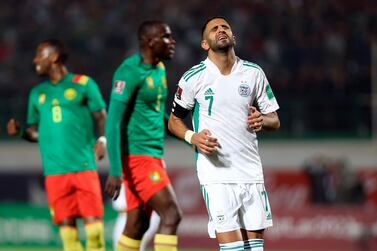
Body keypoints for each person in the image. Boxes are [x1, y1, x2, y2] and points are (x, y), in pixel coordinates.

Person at [168, 16, 280, 251]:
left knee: (255, 249)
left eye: (225, 27)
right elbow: (174, 121)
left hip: (250, 172)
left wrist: (262, 119)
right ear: (204, 44)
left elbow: (275, 120)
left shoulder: (253, 73)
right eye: (214, 29)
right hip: (215, 173)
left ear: (233, 37)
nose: (221, 30)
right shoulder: (193, 78)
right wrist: (192, 137)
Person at [7, 39, 107, 251]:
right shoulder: (37, 93)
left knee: (95, 236)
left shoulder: (83, 84)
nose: (35, 60)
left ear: (53, 57)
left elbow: (101, 116)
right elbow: (37, 134)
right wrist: (22, 132)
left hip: (83, 166)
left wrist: (102, 140)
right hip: (54, 172)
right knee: (69, 240)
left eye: (39, 55)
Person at [104, 20, 182, 251]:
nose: (172, 41)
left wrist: (189, 137)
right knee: (171, 214)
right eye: (166, 37)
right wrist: (115, 171)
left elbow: (157, 114)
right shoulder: (129, 72)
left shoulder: (159, 69)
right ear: (150, 41)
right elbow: (112, 122)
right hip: (138, 158)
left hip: (153, 155)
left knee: (138, 225)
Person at [112, 183, 161, 251]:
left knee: (136, 244)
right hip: (125, 216)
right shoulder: (122, 179)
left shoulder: (148, 177)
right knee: (121, 245)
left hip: (142, 215)